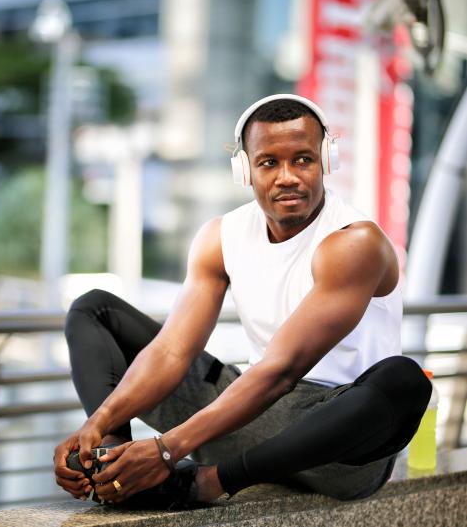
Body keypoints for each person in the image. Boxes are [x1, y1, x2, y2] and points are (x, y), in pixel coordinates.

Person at [53, 94, 431, 507]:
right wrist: (99, 421)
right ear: (244, 169)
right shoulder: (221, 236)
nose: (287, 176)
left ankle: (209, 482)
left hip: (333, 445)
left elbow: (281, 371)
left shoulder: (354, 242)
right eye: (269, 162)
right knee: (95, 310)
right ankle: (115, 470)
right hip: (246, 418)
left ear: (326, 160)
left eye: (302, 159)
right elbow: (173, 350)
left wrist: (167, 449)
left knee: (404, 380)